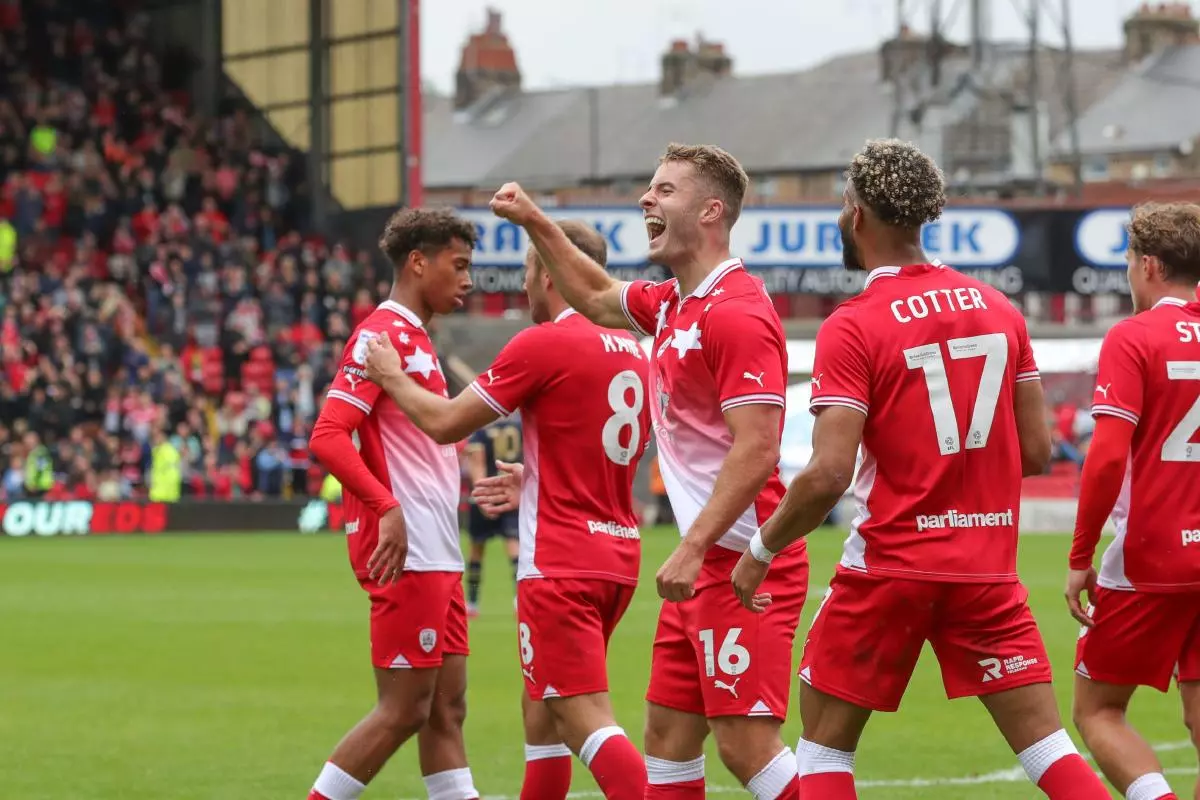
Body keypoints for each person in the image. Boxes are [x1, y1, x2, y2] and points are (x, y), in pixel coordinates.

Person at [729, 138, 1110, 800]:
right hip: (986, 569)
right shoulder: (1001, 311)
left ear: (856, 214)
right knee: (1050, 752)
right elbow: (1040, 453)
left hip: (889, 570)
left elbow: (826, 476)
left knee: (822, 756)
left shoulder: (854, 325)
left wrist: (760, 548)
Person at [490, 144, 804, 800]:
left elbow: (758, 447)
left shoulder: (738, 312)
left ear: (711, 211)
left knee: (746, 747)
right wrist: (534, 222)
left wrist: (692, 546)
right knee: (665, 739)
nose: (646, 200)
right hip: (702, 566)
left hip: (744, 562)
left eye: (665, 191)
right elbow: (596, 293)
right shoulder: (672, 305)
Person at [361, 220, 652, 800]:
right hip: (616, 553)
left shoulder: (545, 342)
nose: (522, 288)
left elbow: (445, 422)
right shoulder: (634, 350)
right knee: (540, 713)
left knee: (580, 716)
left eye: (524, 273)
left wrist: (391, 377)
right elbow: (609, 449)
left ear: (550, 271)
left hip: (561, 564)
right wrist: (536, 480)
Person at [305, 208, 479, 800]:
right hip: (408, 551)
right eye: (458, 266)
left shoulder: (416, 339)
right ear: (417, 262)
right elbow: (328, 435)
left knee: (446, 711)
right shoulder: (381, 336)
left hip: (440, 549)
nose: (468, 279)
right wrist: (385, 506)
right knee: (403, 709)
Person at [1066, 202, 1200, 800]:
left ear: (1149, 265)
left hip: (1153, 557)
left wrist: (1079, 554)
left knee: (1097, 710)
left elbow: (1108, 457)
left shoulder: (1133, 337)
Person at [463, 414, 523, 616]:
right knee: (514, 545)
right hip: (512, 489)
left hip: (489, 490)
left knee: (476, 549)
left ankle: (472, 602)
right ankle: (520, 599)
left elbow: (477, 464)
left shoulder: (481, 430)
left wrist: (482, 496)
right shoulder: (519, 427)